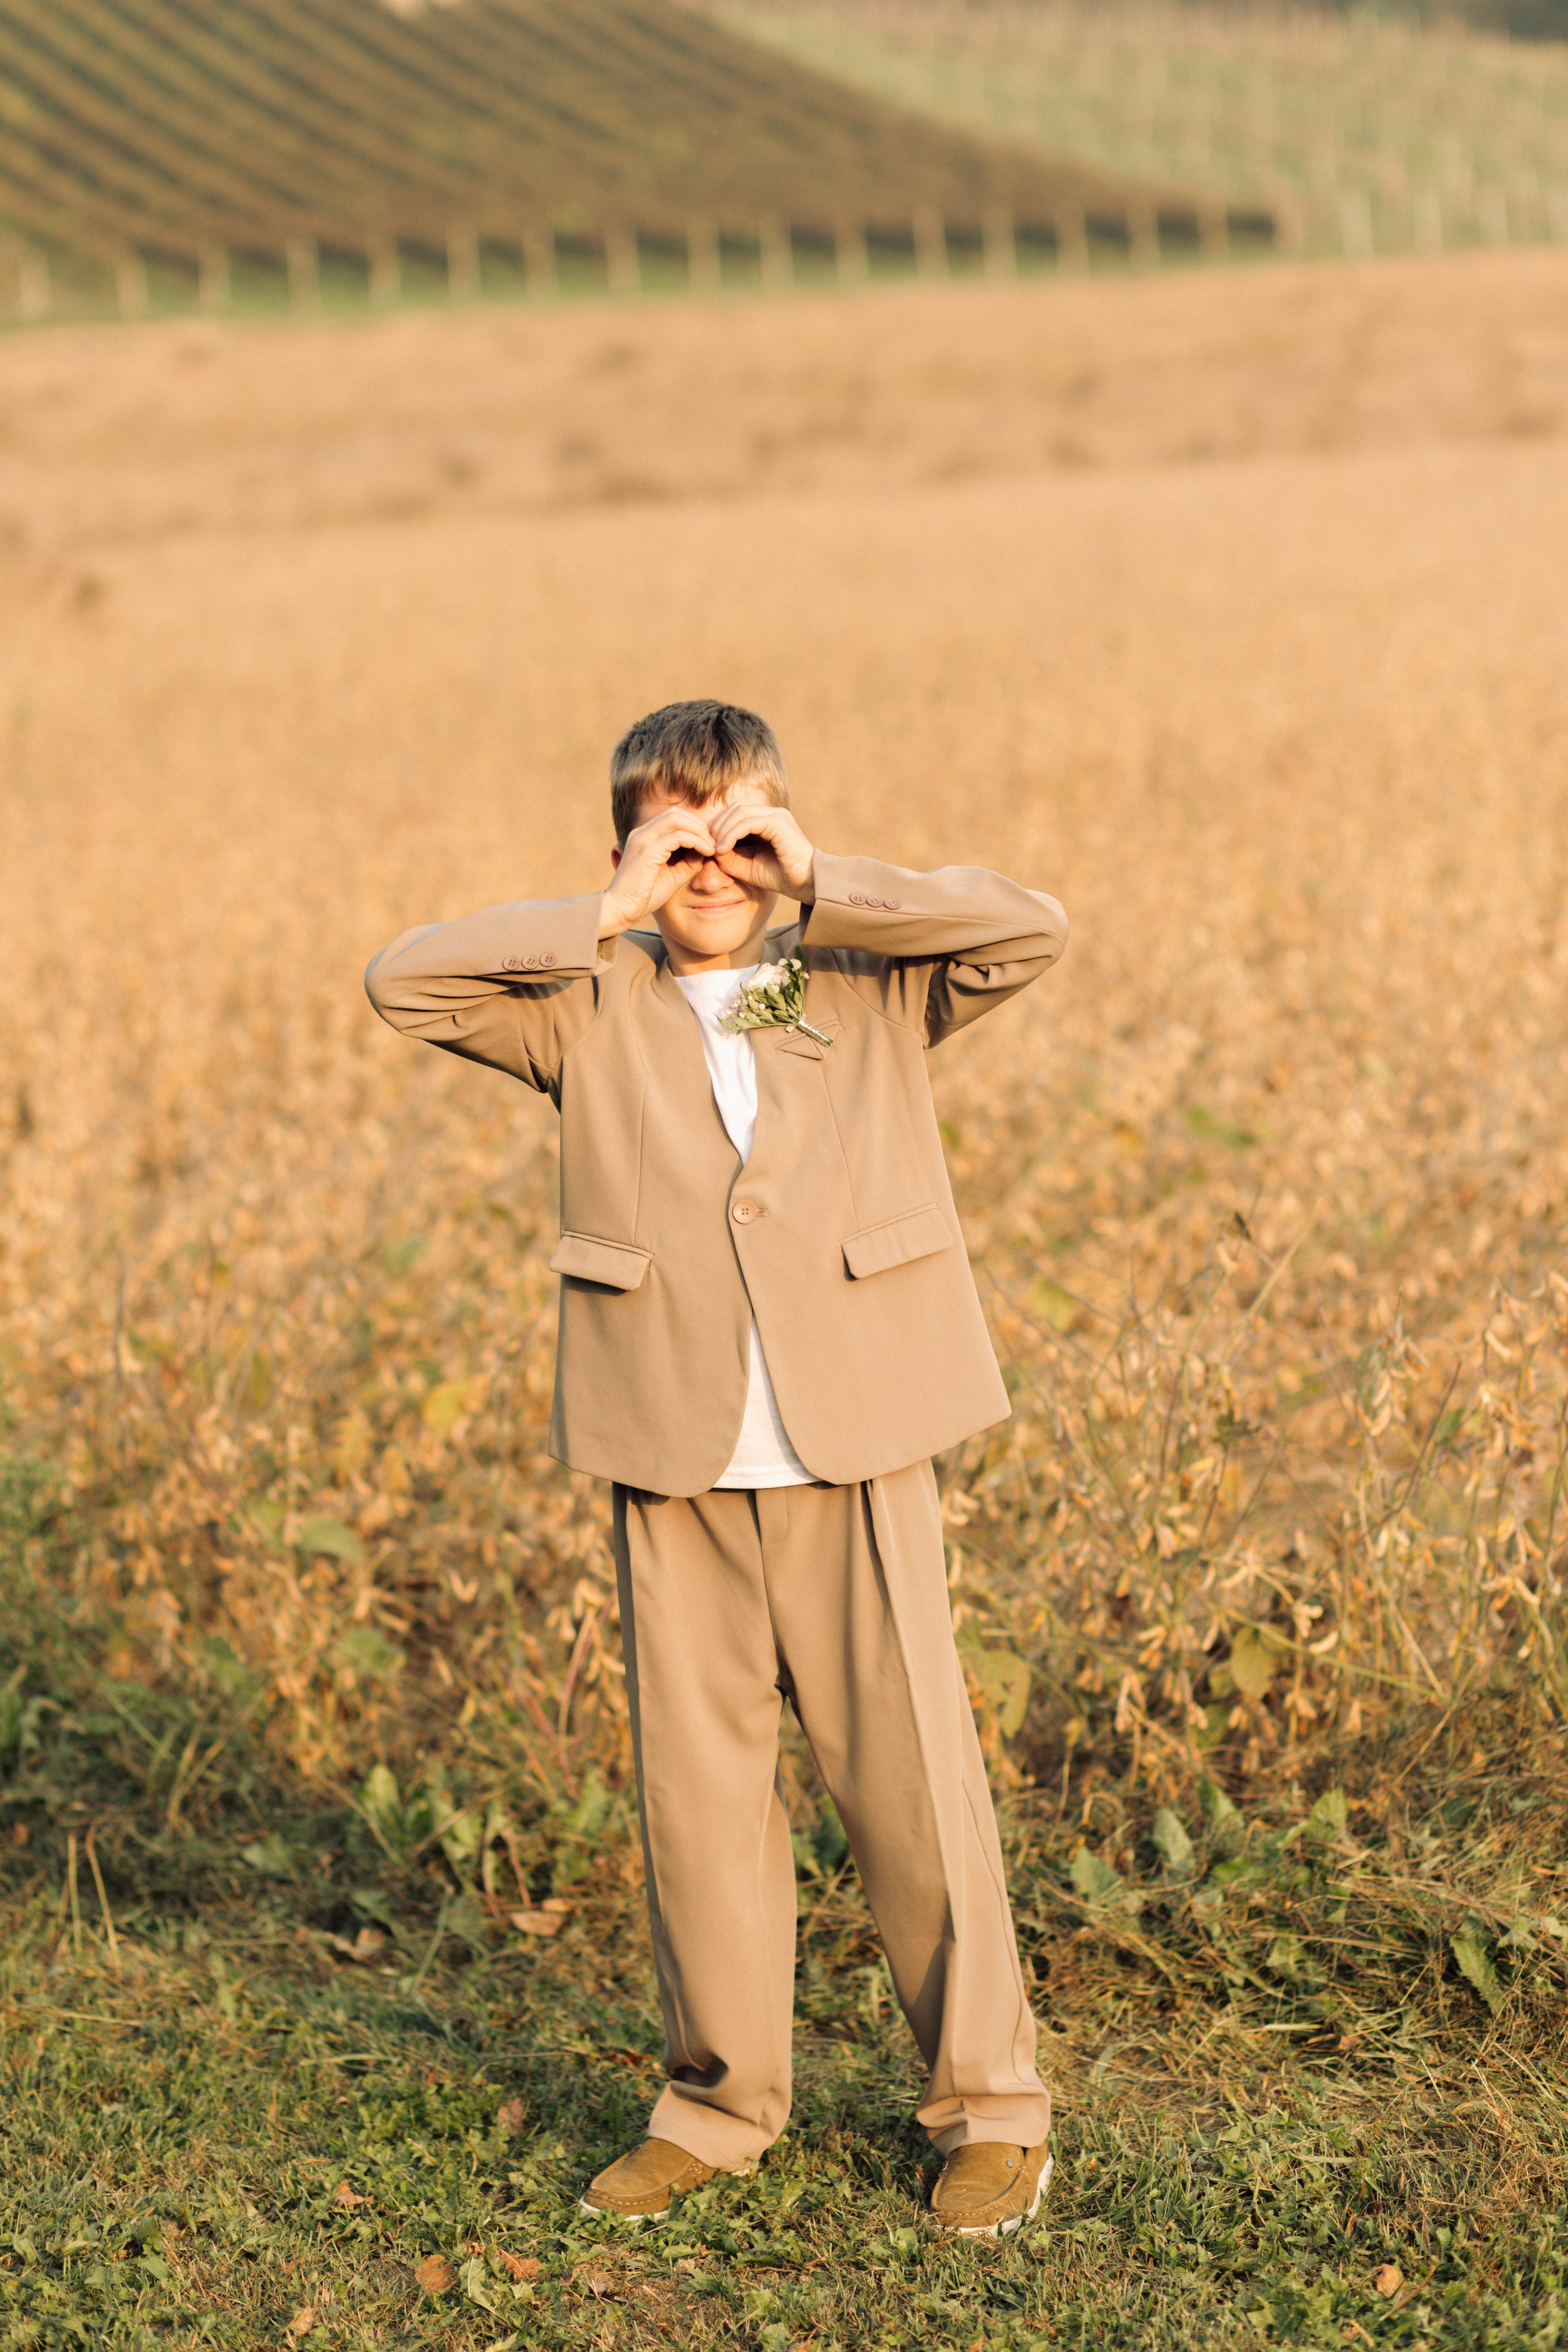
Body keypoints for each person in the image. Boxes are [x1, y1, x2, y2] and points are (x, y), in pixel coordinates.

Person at [364, 699, 1069, 2238]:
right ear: (626, 841)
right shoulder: (585, 1003)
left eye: (738, 819)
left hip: (853, 1437)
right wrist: (604, 910)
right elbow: (402, 982)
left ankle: (988, 2108)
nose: (712, 854)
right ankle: (716, 2105)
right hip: (670, 1445)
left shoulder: (865, 982)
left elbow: (1028, 929)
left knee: (910, 1792)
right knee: (694, 1801)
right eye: (677, 826)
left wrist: (821, 876)